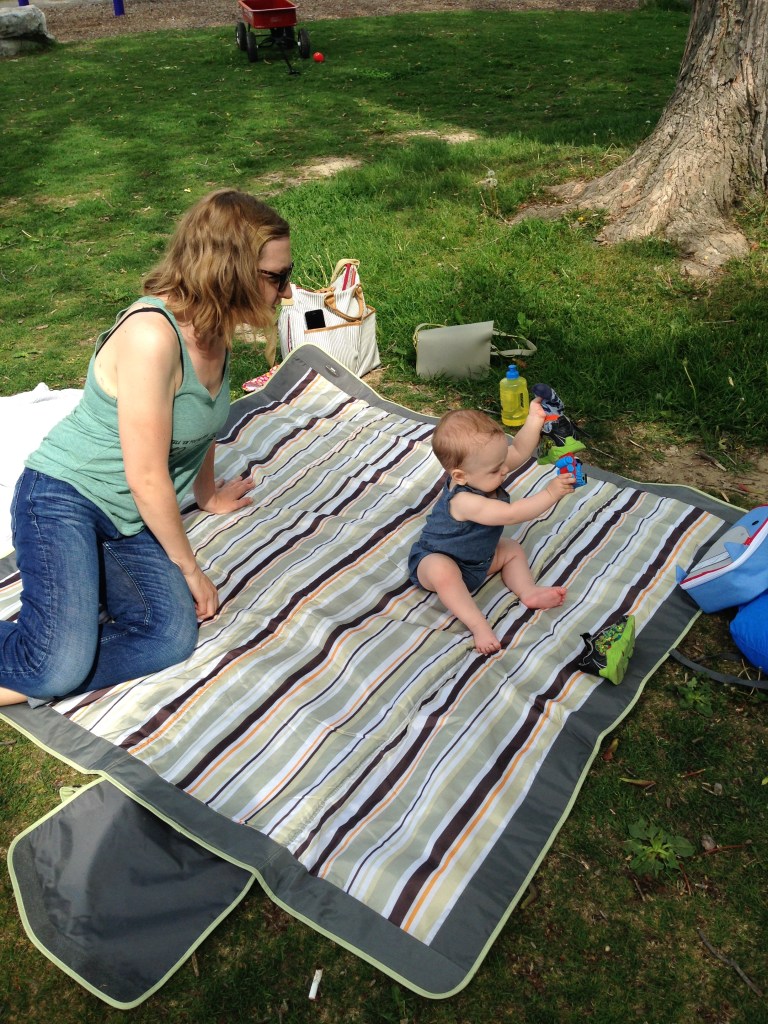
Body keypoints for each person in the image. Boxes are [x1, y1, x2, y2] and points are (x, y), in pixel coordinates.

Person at [0, 189, 292, 707]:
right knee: (54, 668)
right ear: (229, 272)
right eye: (276, 277)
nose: (286, 292)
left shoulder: (216, 328)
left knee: (169, 637)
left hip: (127, 518)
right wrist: (189, 567)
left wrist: (207, 494)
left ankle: (47, 659)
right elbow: (147, 475)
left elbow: (202, 423)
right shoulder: (152, 335)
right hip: (63, 497)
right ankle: (45, 666)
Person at [408, 405, 575, 655]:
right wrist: (551, 493)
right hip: (436, 560)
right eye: (496, 469)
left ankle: (528, 591)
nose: (504, 470)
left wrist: (535, 419)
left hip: (479, 563)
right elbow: (511, 514)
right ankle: (478, 625)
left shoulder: (481, 468)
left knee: (511, 549)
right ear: (460, 476)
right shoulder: (464, 500)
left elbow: (519, 450)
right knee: (442, 570)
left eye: (501, 462)